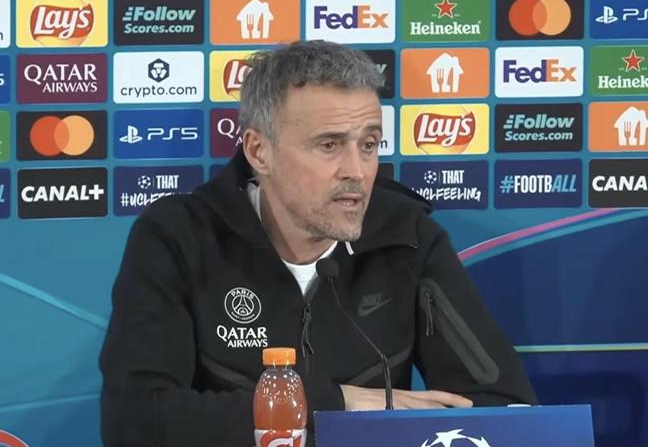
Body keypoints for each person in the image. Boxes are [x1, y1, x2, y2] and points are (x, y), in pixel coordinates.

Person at [100, 40, 537, 447]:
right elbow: (135, 420)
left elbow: (505, 408)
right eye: (329, 145)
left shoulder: (407, 238)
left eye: (369, 144)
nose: (357, 171)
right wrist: (336, 404)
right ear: (259, 151)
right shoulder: (180, 236)